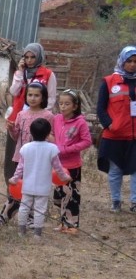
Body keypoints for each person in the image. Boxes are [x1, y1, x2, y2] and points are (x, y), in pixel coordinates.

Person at [0, 43, 57, 225]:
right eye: (26, 57)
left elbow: (51, 98)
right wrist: (20, 72)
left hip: (39, 123)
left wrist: (41, 116)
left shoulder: (48, 74)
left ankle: (31, 212)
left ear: (39, 57)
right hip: (19, 120)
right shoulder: (20, 72)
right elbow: (13, 91)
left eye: (32, 57)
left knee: (35, 169)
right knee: (14, 164)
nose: (29, 61)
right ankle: (12, 200)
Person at [9, 118, 71, 238]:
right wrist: (65, 177)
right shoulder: (52, 149)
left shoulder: (26, 148)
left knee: (24, 207)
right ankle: (37, 234)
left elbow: (20, 168)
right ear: (48, 134)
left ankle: (21, 231)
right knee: (40, 209)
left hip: (27, 185)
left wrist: (15, 179)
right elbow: (58, 168)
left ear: (31, 133)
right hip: (43, 187)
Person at [96, 46, 136, 213]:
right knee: (115, 170)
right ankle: (116, 201)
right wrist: (109, 125)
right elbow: (100, 108)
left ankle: (134, 203)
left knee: (135, 170)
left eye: (135, 62)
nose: (133, 65)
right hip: (115, 135)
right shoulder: (109, 81)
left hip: (134, 136)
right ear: (122, 61)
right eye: (129, 61)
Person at [51, 90, 93, 232]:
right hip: (58, 164)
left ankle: (72, 225)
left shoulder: (80, 122)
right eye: (61, 103)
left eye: (67, 104)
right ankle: (63, 222)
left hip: (72, 165)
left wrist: (67, 149)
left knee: (71, 196)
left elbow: (87, 142)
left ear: (75, 106)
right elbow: (52, 134)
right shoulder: (56, 119)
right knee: (60, 195)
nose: (63, 106)